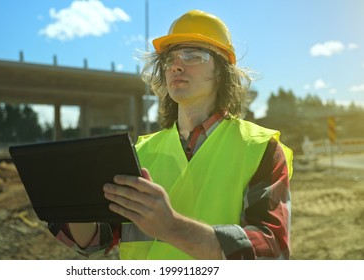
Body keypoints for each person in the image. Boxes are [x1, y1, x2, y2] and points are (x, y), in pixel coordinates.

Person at [48, 9, 293, 260]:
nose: (176, 65)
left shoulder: (260, 148)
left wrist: (172, 227)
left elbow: (271, 250)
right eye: (169, 59)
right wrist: (73, 204)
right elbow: (98, 241)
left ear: (221, 70)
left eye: (192, 55)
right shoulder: (141, 152)